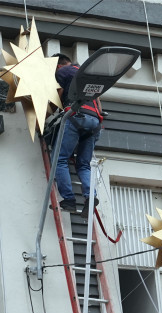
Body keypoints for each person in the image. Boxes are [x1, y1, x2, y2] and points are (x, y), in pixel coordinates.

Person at [53, 54, 104, 216]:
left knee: (60, 159)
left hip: (76, 117)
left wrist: (50, 113)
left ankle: (68, 199)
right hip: (95, 122)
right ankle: (90, 196)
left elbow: (58, 95)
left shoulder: (63, 72)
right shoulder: (88, 73)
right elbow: (99, 104)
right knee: (83, 164)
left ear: (58, 65)